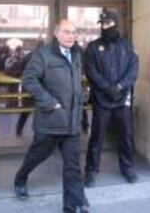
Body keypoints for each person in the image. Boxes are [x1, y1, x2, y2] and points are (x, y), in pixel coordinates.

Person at [14, 19, 89, 213]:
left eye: (74, 32)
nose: (71, 36)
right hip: (51, 121)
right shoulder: (43, 55)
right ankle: (21, 178)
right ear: (56, 34)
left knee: (73, 166)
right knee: (37, 156)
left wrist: (81, 95)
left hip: (71, 121)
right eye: (66, 32)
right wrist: (49, 102)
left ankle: (74, 204)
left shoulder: (76, 54)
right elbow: (29, 80)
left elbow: (75, 81)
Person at [84, 9, 139, 187]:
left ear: (115, 24)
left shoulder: (127, 45)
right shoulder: (93, 47)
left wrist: (120, 87)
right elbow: (91, 71)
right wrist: (108, 88)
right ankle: (91, 171)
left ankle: (128, 168)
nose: (104, 27)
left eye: (107, 23)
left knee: (126, 136)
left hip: (122, 100)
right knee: (96, 138)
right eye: (102, 24)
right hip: (102, 100)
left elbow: (133, 70)